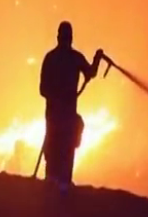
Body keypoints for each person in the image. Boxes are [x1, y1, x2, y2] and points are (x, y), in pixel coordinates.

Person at [39, 21, 109, 190]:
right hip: (58, 114)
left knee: (66, 145)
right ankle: (55, 182)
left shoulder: (61, 58)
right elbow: (43, 89)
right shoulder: (64, 58)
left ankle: (60, 182)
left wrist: (97, 59)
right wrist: (58, 99)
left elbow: (90, 72)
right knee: (58, 146)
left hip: (62, 114)